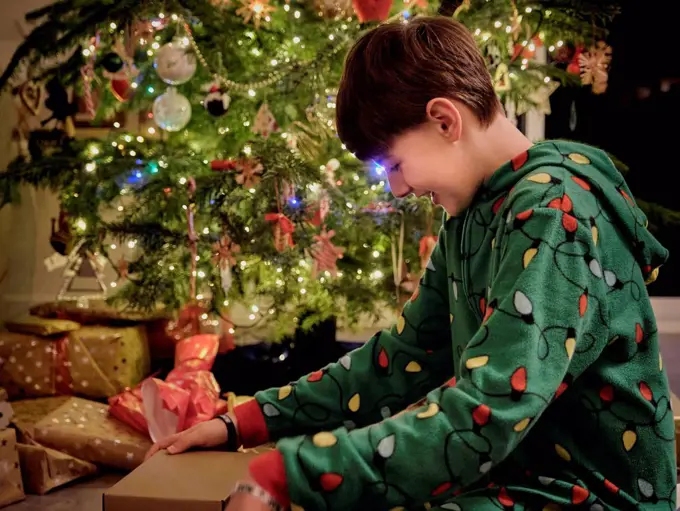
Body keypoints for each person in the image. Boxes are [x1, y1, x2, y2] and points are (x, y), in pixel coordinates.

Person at [146, 16, 676, 511]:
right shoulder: (474, 213)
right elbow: (401, 358)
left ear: (445, 119)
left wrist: (291, 473)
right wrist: (247, 422)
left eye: (394, 164)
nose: (398, 188)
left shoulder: (552, 213)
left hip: (585, 497)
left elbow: (486, 415)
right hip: (512, 478)